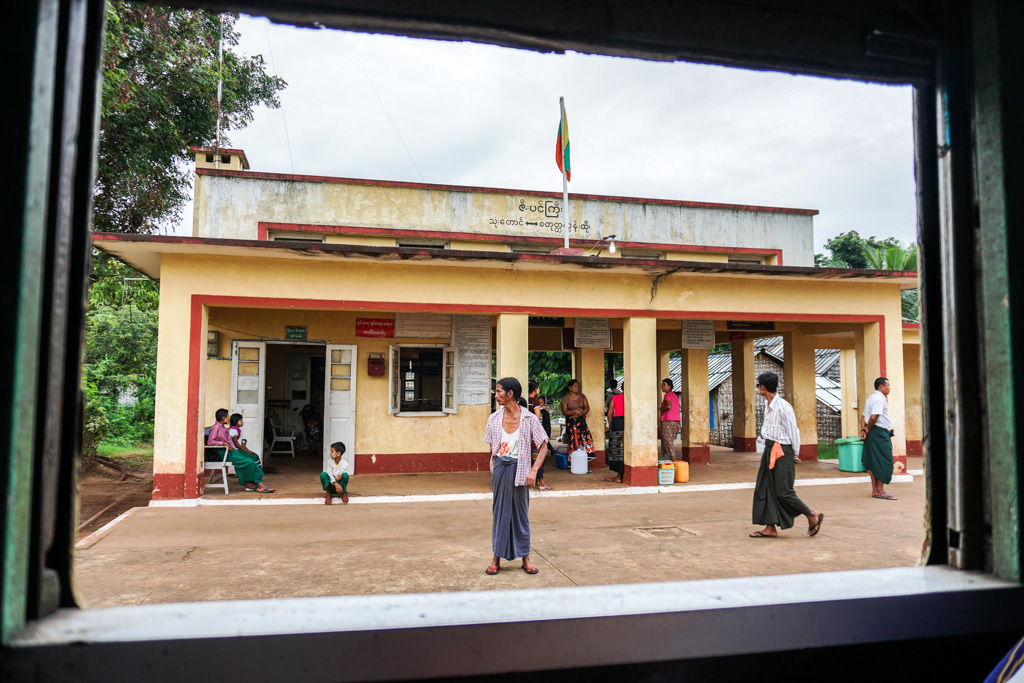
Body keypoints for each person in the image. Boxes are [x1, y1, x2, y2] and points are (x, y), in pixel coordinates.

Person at [484, 377, 549, 576]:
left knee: (521, 514)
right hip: (501, 469)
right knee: (500, 514)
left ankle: (525, 557)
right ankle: (496, 557)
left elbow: (544, 445)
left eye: (499, 391)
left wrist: (533, 471)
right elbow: (492, 448)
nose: (496, 395)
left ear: (510, 394)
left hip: (521, 470)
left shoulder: (529, 418)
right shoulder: (494, 418)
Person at [749, 372, 822, 538]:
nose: (758, 388)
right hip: (770, 449)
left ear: (763, 387)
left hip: (783, 450)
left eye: (758, 386)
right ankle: (770, 527)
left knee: (783, 491)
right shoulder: (768, 405)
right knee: (766, 487)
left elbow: (793, 431)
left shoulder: (783, 407)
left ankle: (810, 514)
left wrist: (795, 454)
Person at [211, 411, 274, 493]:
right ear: (223, 418)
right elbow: (210, 441)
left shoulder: (224, 428)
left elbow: (230, 442)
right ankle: (260, 485)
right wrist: (223, 443)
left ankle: (248, 483)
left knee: (250, 459)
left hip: (231, 451)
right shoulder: (215, 428)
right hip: (224, 453)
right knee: (249, 462)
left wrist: (235, 450)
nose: (229, 418)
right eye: (228, 416)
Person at [860, 377, 896, 500]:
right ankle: (880, 490)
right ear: (881, 387)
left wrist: (863, 430)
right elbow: (873, 417)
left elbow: (863, 417)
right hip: (878, 433)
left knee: (873, 461)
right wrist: (869, 429)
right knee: (885, 461)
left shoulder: (870, 398)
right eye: (888, 386)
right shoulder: (880, 399)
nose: (889, 388)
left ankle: (875, 490)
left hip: (872, 432)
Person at [527, 380, 553, 490]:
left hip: (525, 433)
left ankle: (534, 480)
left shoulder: (523, 400)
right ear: (536, 389)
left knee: (528, 458)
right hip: (533, 433)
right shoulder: (535, 402)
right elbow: (537, 418)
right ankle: (541, 483)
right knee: (537, 457)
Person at [560, 378, 595, 459]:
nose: (577, 388)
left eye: (578, 386)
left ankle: (586, 458)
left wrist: (580, 414)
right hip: (571, 423)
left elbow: (587, 408)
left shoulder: (582, 396)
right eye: (575, 386)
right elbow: (564, 412)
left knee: (584, 438)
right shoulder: (565, 399)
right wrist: (574, 412)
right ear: (570, 388)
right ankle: (573, 459)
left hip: (581, 422)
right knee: (572, 440)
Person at [603, 383, 626, 483]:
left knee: (617, 451)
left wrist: (611, 427)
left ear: (621, 388)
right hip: (627, 424)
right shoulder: (632, 398)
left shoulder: (615, 398)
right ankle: (621, 475)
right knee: (624, 450)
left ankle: (619, 476)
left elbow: (609, 414)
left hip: (617, 424)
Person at [658, 378, 681, 461]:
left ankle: (673, 460)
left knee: (668, 441)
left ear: (669, 386)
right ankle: (672, 459)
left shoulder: (667, 395)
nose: (662, 386)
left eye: (664, 385)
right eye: (662, 385)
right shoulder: (675, 396)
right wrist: (678, 423)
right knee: (670, 441)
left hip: (667, 421)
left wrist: (660, 409)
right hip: (675, 421)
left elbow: (668, 406)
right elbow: (676, 409)